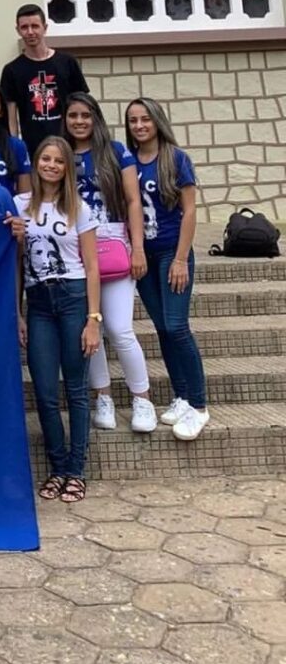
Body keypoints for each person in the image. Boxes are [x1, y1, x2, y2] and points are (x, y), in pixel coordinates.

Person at [16, 136, 101, 504]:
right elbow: (16, 264)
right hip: (38, 301)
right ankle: (57, 466)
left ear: (67, 167)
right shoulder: (20, 205)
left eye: (58, 160)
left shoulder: (78, 208)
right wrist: (17, 311)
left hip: (73, 296)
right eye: (45, 158)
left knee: (77, 390)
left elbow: (93, 265)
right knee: (46, 392)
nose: (51, 165)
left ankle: (76, 471)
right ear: (36, 163)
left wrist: (94, 318)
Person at [64, 93, 156, 433]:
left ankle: (142, 398)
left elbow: (133, 201)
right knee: (91, 329)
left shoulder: (116, 152)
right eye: (72, 115)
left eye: (85, 115)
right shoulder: (60, 152)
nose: (79, 121)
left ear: (96, 118)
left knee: (119, 328)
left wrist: (138, 246)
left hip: (114, 244)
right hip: (75, 249)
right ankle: (102, 395)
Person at [126, 97, 209, 441]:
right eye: (133, 121)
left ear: (157, 121)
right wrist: (137, 250)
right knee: (161, 327)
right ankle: (181, 395)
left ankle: (199, 405)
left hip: (172, 253)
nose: (140, 125)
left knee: (176, 326)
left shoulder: (175, 158)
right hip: (145, 253)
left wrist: (180, 258)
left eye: (145, 119)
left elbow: (189, 211)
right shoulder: (130, 162)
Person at [0, 3, 89, 159]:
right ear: (18, 30)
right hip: (33, 148)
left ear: (45, 27)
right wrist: (14, 149)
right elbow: (10, 117)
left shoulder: (67, 63)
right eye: (24, 27)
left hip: (69, 144)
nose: (30, 32)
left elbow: (83, 105)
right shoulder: (12, 70)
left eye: (35, 26)